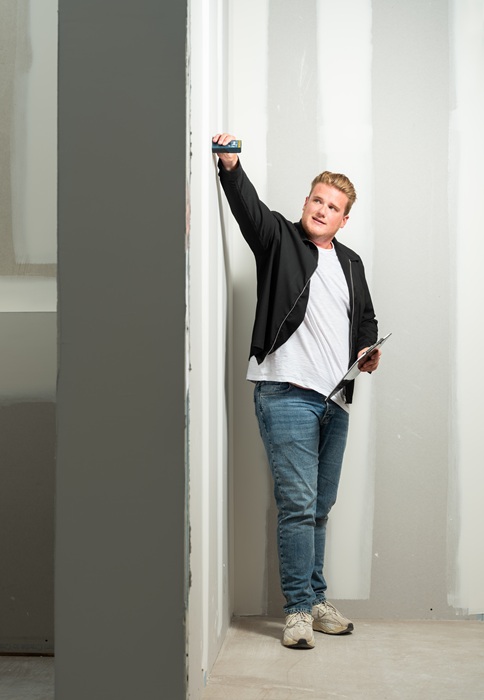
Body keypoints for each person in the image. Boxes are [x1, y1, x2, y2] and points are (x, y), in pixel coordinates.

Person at [213, 133, 381, 649]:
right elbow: (249, 210)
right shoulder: (279, 240)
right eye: (317, 200)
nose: (322, 210)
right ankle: (298, 612)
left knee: (320, 506)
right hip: (286, 392)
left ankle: (316, 598)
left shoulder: (351, 262)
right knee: (298, 505)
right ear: (306, 202)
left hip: (336, 399)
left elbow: (366, 320)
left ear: (344, 219)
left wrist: (368, 350)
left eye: (333, 207)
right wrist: (230, 166)